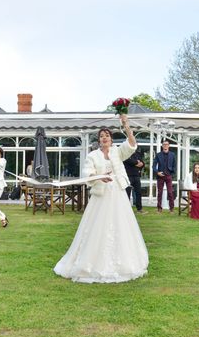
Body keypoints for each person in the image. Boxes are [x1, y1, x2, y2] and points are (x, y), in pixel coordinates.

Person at [54, 114, 149, 283]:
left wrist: (126, 126)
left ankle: (124, 262)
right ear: (99, 141)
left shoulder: (117, 152)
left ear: (112, 140)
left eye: (107, 136)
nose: (104, 138)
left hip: (118, 195)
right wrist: (99, 176)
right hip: (101, 195)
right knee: (97, 227)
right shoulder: (93, 156)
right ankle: (90, 262)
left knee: (121, 226)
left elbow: (132, 145)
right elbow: (86, 174)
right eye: (101, 137)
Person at [153, 140, 176, 213]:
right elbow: (153, 166)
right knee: (160, 193)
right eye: (164, 144)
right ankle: (159, 209)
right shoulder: (158, 155)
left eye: (167, 144)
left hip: (168, 175)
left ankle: (171, 209)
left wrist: (171, 173)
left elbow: (174, 165)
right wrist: (157, 172)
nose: (165, 145)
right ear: (162, 146)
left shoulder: (172, 154)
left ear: (169, 146)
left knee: (170, 192)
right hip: (160, 176)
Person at [124, 146, 145, 214]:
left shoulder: (138, 154)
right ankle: (126, 209)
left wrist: (139, 163)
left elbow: (143, 163)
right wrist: (137, 162)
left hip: (137, 176)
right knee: (127, 193)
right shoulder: (126, 154)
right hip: (128, 176)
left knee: (138, 193)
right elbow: (129, 161)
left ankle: (139, 209)